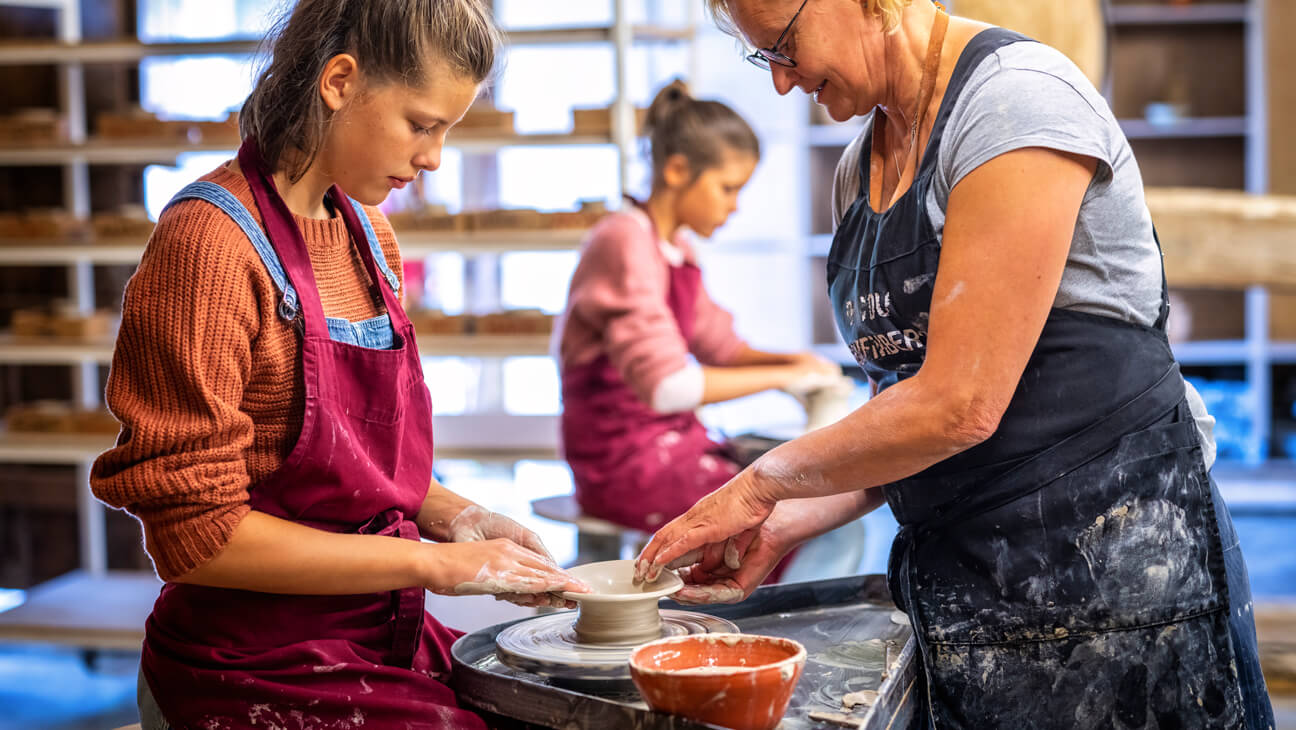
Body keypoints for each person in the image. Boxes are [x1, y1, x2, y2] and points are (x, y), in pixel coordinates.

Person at [634, 1, 1275, 728]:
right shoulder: (857, 174)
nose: (783, 83)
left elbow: (960, 403)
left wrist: (763, 481)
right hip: (964, 586)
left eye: (784, 46)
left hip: (1120, 577)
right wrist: (783, 520)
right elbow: (901, 421)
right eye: (764, 59)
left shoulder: (1015, 102)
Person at [89, 1, 587, 727]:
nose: (433, 157)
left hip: (381, 633)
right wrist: (431, 565)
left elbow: (358, 473)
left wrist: (460, 517)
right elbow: (197, 541)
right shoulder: (209, 247)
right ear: (340, 81)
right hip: (251, 661)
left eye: (447, 130)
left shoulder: (367, 236)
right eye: (422, 124)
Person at [553, 80, 841, 539]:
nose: (735, 206)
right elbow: (667, 389)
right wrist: (784, 379)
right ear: (678, 170)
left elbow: (721, 348)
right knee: (790, 514)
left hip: (672, 447)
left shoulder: (676, 249)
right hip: (623, 465)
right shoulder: (624, 241)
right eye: (728, 188)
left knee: (815, 496)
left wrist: (799, 363)